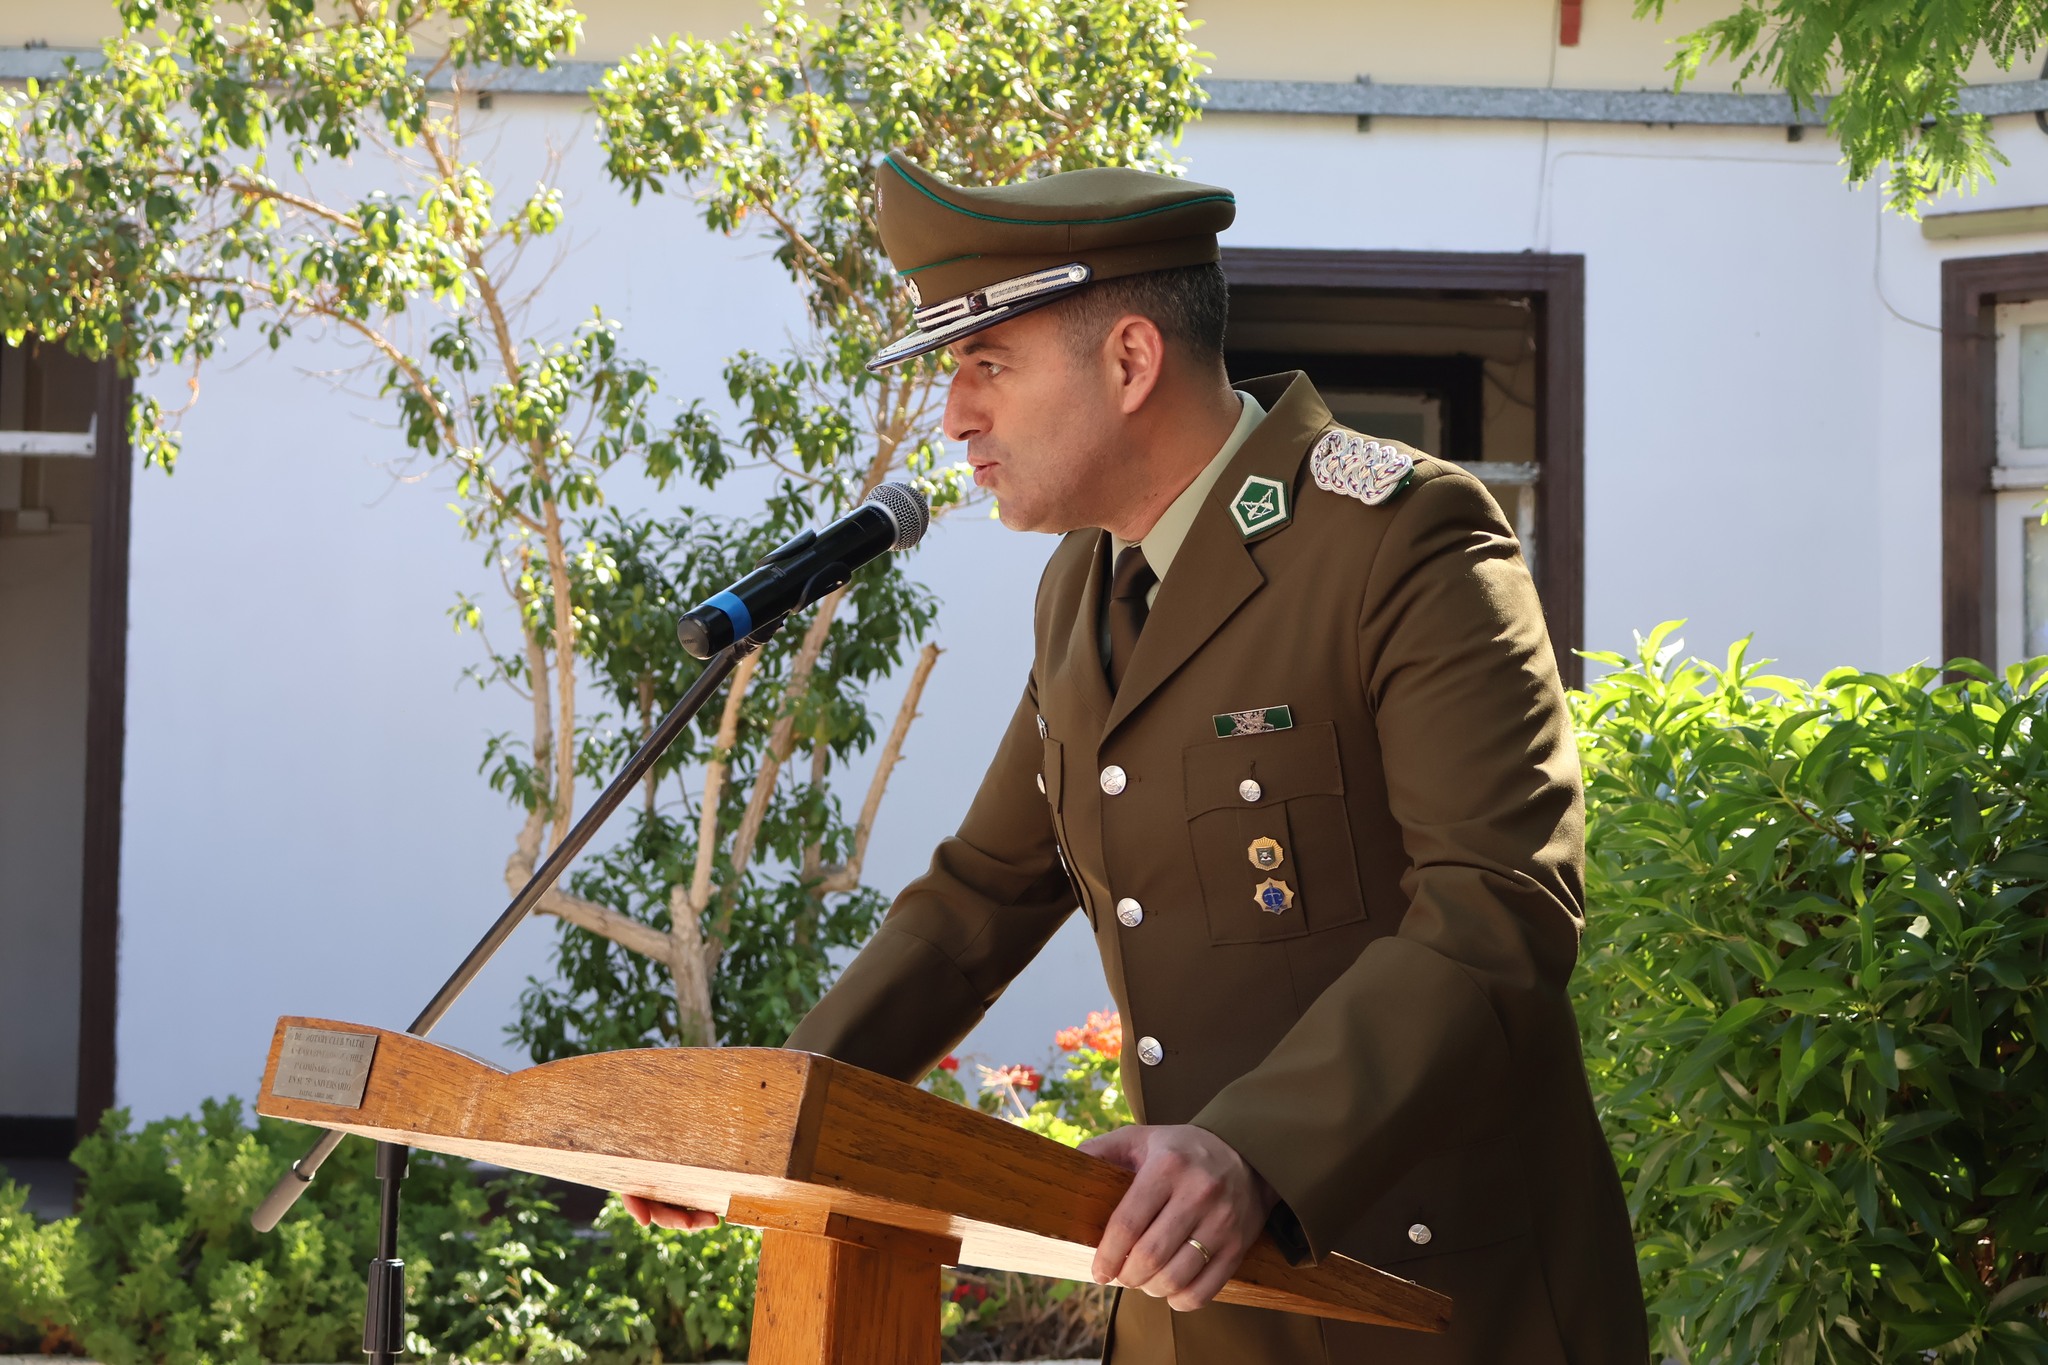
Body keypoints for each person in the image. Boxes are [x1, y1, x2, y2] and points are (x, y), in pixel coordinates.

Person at [627, 151, 1648, 1365]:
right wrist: (764, 1113)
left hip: (1422, 1304)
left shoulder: (1398, 540)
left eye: (985, 364)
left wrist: (1257, 1144)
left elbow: (1498, 905)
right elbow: (977, 901)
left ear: (1127, 361)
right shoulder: (1084, 588)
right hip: (1192, 1309)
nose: (954, 415)